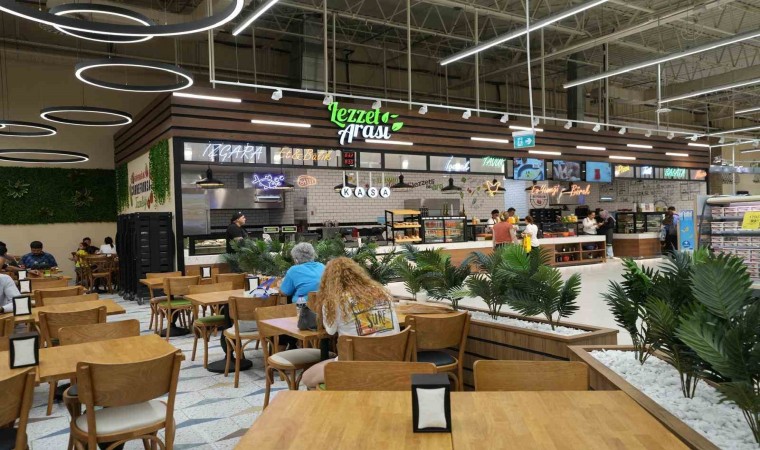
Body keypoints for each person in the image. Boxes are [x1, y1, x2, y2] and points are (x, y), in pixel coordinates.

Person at [302, 257, 400, 389]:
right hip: (392, 361)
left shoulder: (334, 301)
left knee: (307, 378)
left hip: (355, 365)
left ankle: (341, 398)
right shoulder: (382, 292)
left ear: (328, 280)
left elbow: (330, 331)